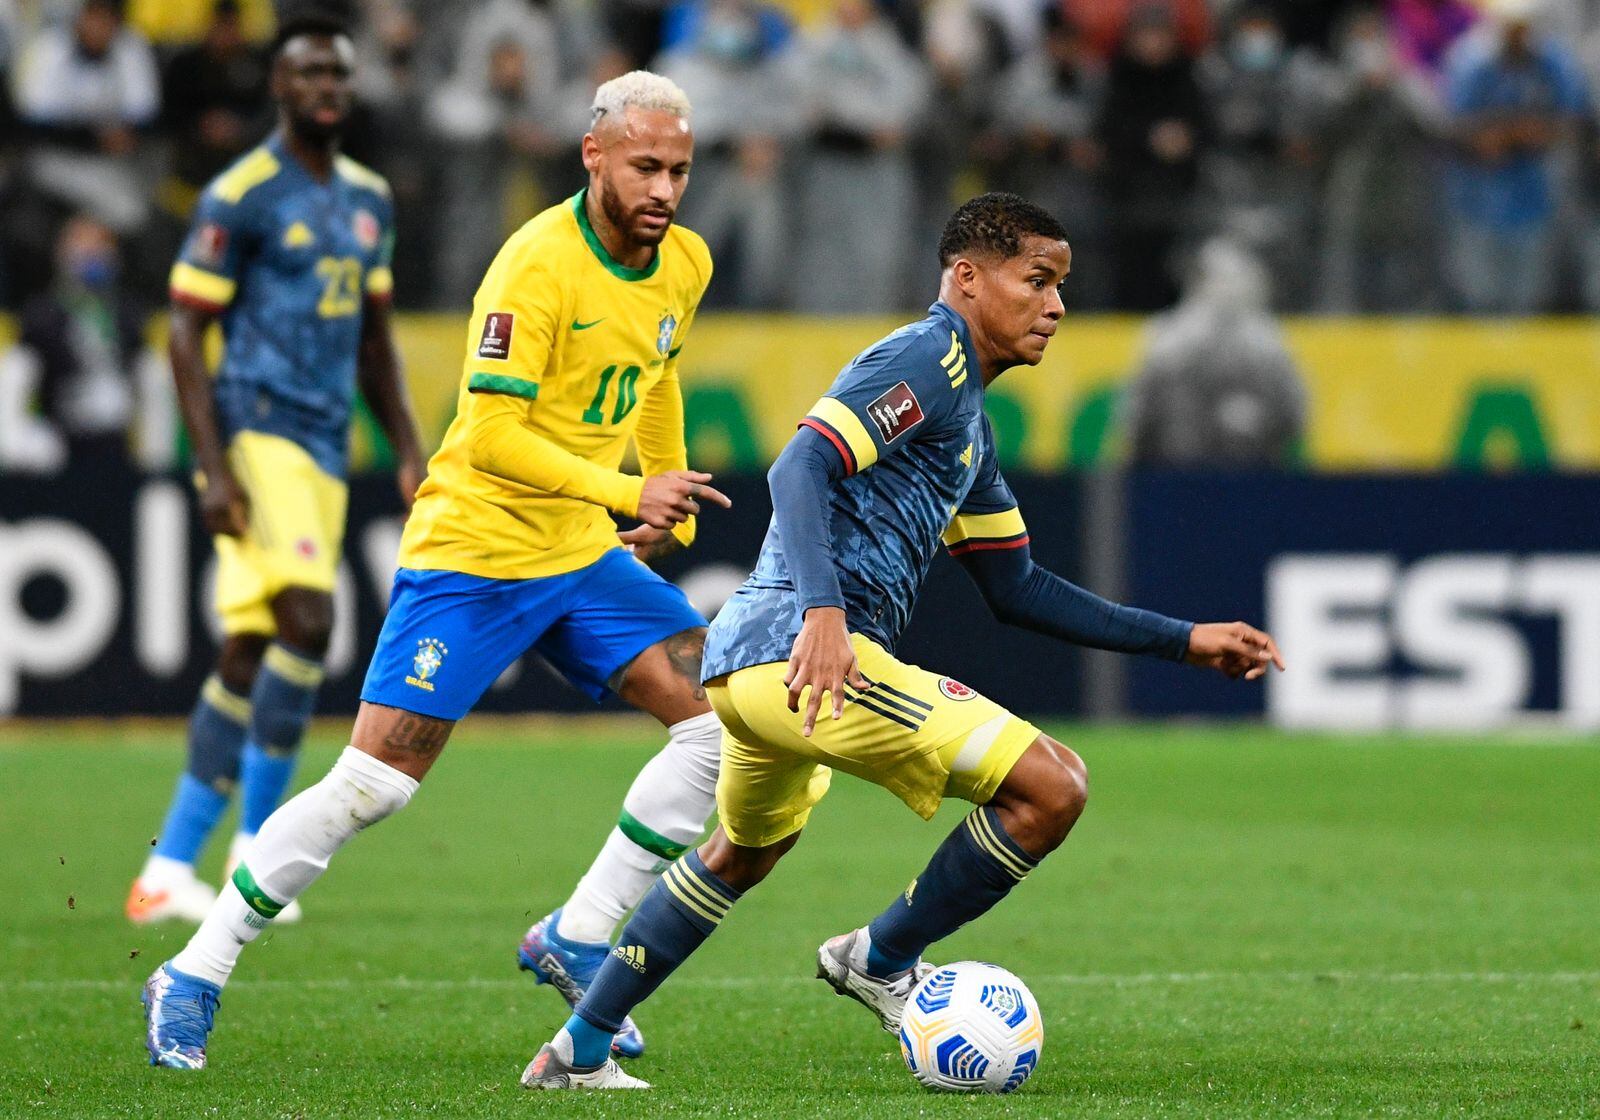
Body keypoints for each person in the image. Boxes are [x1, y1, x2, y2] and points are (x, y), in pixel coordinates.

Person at [522, 193, 1286, 1090]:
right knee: (1052, 789)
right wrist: (825, 615)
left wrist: (1185, 640)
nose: (1057, 305)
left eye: (1062, 286)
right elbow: (799, 462)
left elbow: (1016, 588)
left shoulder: (967, 426)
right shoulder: (929, 358)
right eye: (1036, 280)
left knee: (741, 852)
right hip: (804, 655)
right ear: (967, 278)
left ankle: (577, 1047)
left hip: (751, 666)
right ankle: (879, 960)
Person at [141, 70, 732, 1073]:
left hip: (578, 553)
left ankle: (578, 933)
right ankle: (195, 968)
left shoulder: (685, 261)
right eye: (645, 167)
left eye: (677, 169)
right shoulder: (533, 267)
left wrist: (654, 479)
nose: (664, 189)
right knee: (374, 786)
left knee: (724, 722)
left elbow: (659, 364)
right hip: (477, 548)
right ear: (592, 156)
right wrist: (627, 495)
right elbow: (493, 435)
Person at [126, 16, 425, 928]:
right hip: (258, 433)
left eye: (338, 72)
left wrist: (409, 446)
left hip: (326, 444)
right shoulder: (242, 193)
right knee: (312, 616)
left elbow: (374, 339)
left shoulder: (369, 198)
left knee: (251, 645)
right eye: (308, 74)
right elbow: (183, 328)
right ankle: (259, 838)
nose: (327, 86)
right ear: (279, 89)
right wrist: (211, 466)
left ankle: (171, 864)